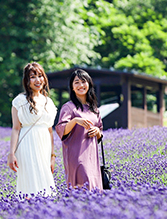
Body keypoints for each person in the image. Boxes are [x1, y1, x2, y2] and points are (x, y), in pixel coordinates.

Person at [7, 62, 57, 196]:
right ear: (27, 80)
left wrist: (52, 156)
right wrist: (11, 154)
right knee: (30, 180)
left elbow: (50, 130)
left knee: (45, 180)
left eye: (40, 76)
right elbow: (16, 129)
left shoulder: (49, 102)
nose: (38, 80)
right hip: (27, 144)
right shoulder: (19, 101)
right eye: (33, 77)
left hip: (44, 145)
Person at [55, 69, 103, 190]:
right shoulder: (68, 107)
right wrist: (75, 121)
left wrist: (97, 132)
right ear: (72, 87)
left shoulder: (94, 109)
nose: (80, 85)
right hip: (77, 157)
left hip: (92, 157)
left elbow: (100, 132)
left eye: (83, 81)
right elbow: (61, 130)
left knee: (94, 188)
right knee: (82, 189)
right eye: (76, 82)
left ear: (89, 84)